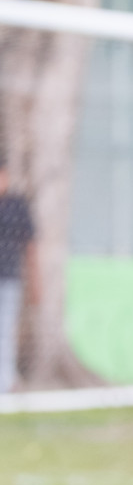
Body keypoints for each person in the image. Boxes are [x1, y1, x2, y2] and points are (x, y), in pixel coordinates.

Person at [0, 159, 36, 394]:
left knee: (5, 330)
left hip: (9, 277)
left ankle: (6, 380)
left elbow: (31, 245)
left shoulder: (16, 205)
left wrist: (36, 282)